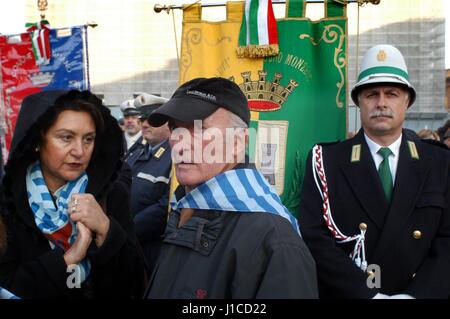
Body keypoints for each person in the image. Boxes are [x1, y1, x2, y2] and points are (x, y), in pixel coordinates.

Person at [298, 44, 450, 299]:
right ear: (358, 101)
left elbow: (447, 240)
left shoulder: (439, 162)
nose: (381, 103)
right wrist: (369, 294)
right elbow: (315, 238)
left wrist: (415, 295)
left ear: (407, 101)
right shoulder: (326, 161)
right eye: (371, 94)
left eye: (391, 93)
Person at [144, 77, 318, 299]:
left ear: (239, 142)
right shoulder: (185, 208)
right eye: (175, 128)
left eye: (199, 129)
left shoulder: (275, 241)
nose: (181, 143)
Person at [0, 90, 145, 299]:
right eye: (66, 137)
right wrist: (66, 261)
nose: (79, 151)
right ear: (37, 141)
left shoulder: (110, 195)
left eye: (88, 139)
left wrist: (107, 230)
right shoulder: (8, 201)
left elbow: (135, 283)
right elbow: (7, 286)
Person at [129, 93, 172, 271]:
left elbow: (166, 206)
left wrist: (127, 229)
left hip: (153, 249)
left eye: (152, 119)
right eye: (143, 119)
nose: (144, 124)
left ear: (168, 123)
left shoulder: (175, 157)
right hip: (130, 245)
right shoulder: (136, 151)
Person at [121, 99, 145, 166]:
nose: (129, 121)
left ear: (141, 119)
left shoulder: (148, 141)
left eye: (134, 117)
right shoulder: (116, 139)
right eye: (126, 117)